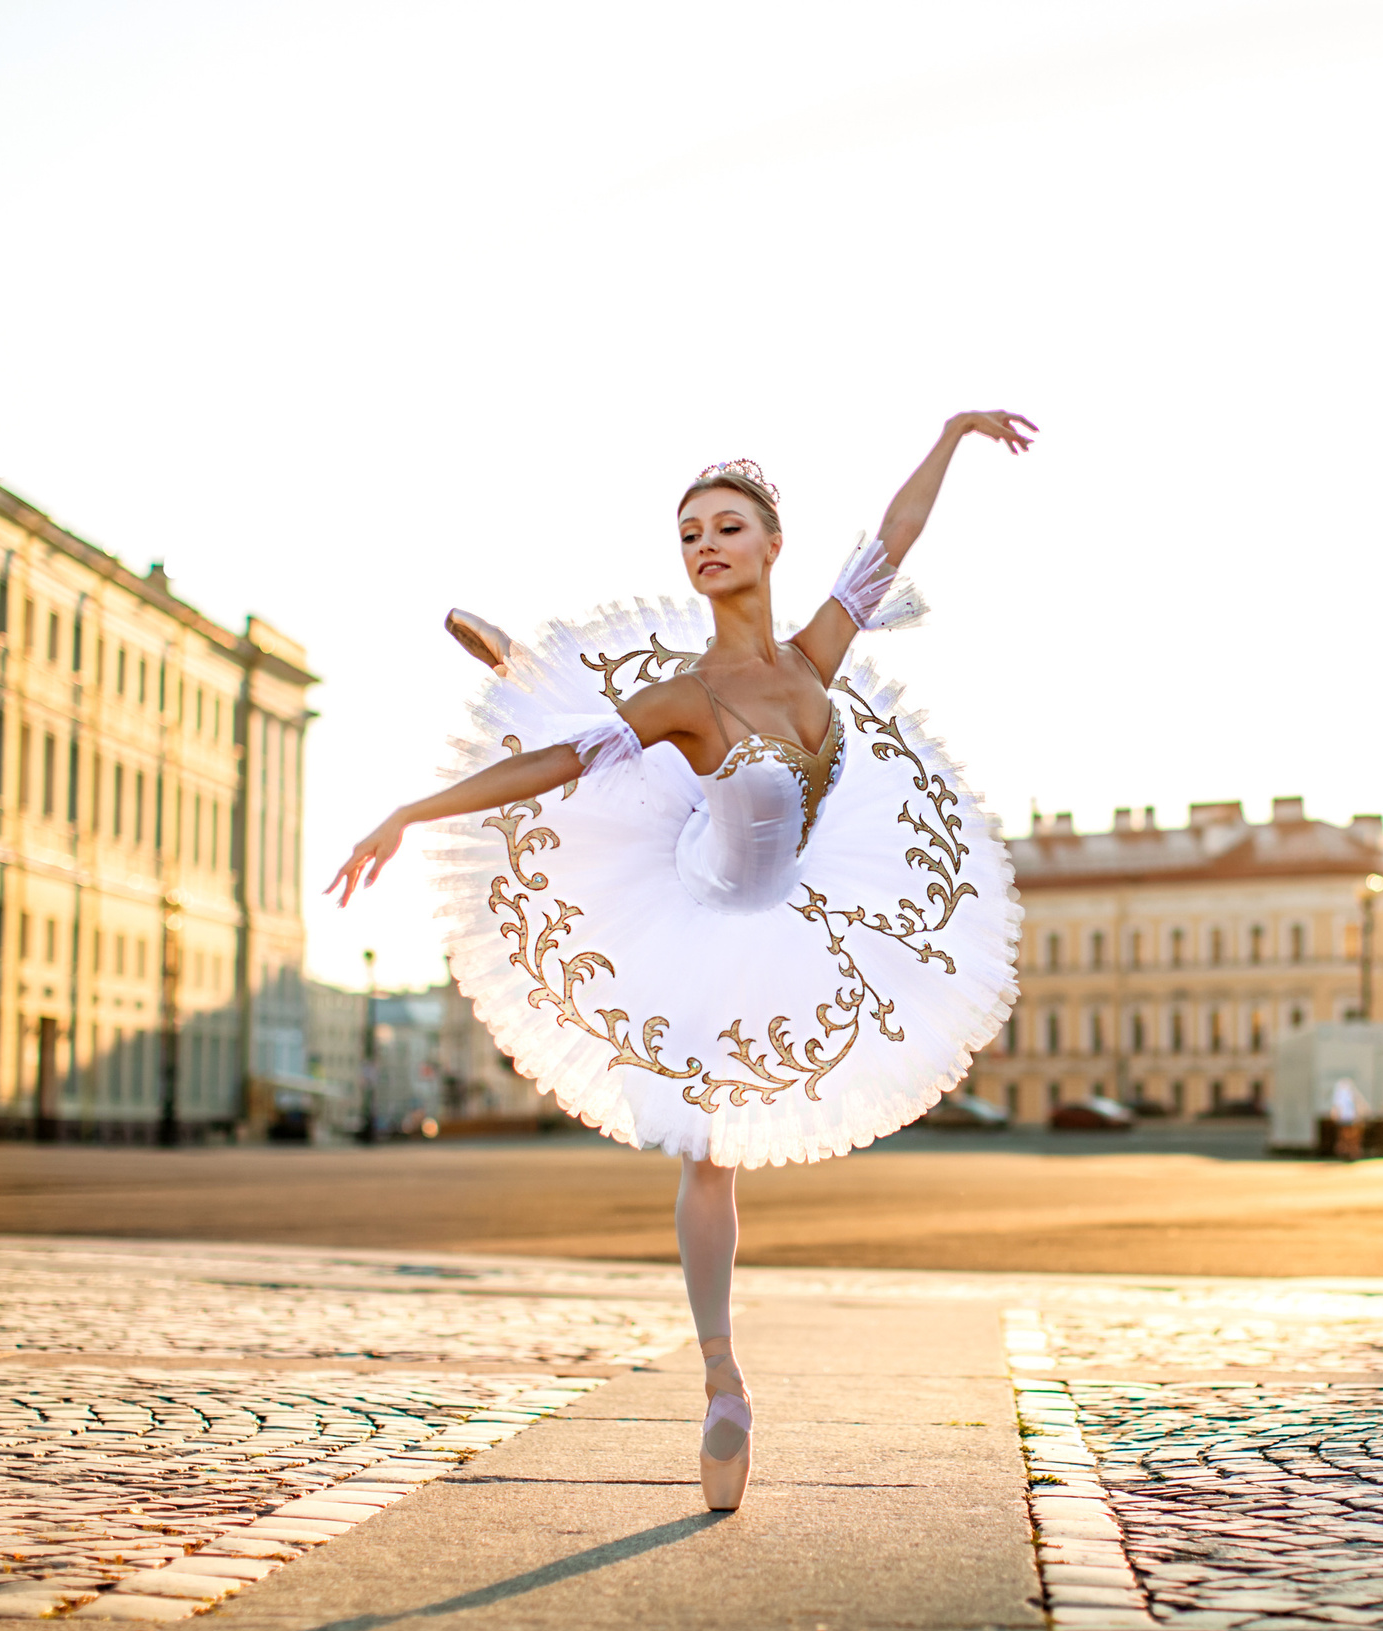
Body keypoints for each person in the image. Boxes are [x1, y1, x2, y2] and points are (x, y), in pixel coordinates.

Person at [328, 413, 1034, 1511]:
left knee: (631, 774)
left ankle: (523, 661)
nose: (705, 545)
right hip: (694, 901)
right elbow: (560, 765)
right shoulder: (688, 697)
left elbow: (894, 541)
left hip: (795, 897)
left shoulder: (816, 656)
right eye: (689, 534)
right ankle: (721, 1377)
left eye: (726, 527)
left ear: (768, 545)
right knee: (708, 1145)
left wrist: (953, 432)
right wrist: (411, 809)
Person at [1325, 1076, 1365, 1161]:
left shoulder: (1349, 1094)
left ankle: (1351, 1152)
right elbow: (1337, 1106)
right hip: (1344, 1118)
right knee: (1345, 1136)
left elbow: (1357, 1103)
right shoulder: (1340, 1095)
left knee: (1351, 1136)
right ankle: (1346, 1152)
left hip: (1350, 1118)